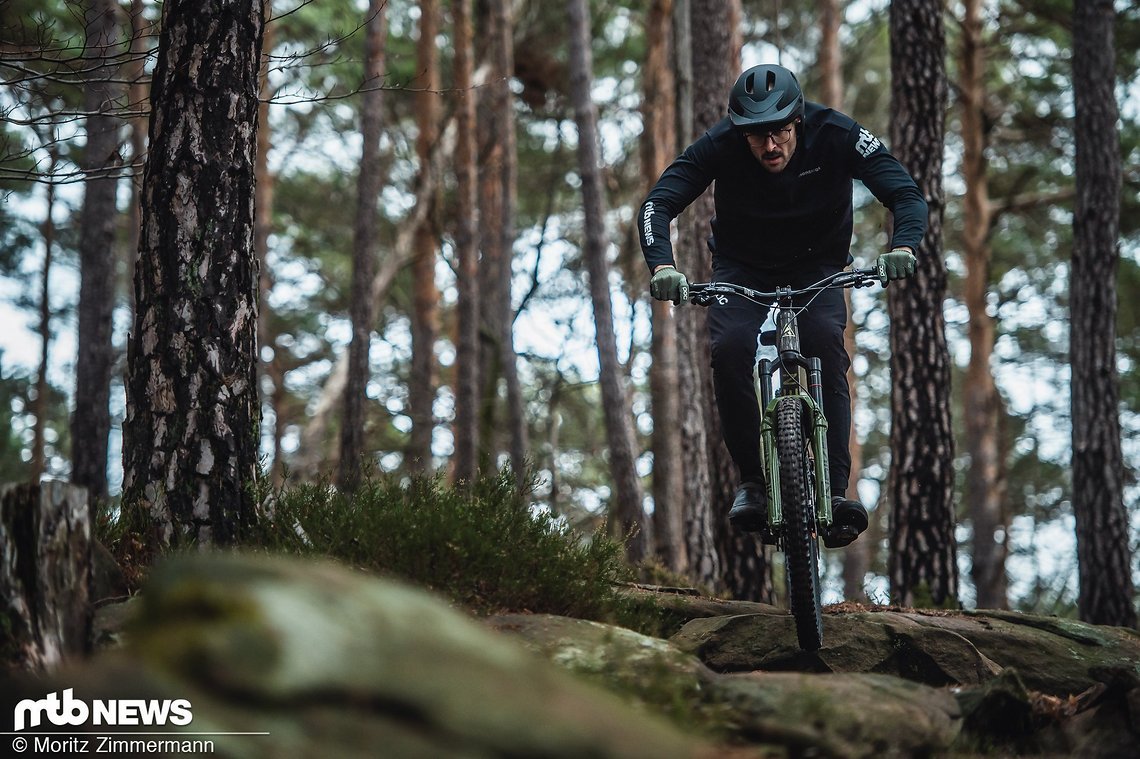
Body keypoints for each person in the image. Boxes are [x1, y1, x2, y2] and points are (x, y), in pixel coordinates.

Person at [640, 63, 927, 548]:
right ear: (739, 131)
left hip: (818, 266)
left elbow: (904, 191)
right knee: (729, 348)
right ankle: (753, 481)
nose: (770, 146)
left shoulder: (837, 132)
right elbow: (658, 202)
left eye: (780, 133)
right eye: (756, 137)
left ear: (797, 120)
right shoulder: (721, 144)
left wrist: (904, 246)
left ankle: (834, 495)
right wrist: (662, 265)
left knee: (824, 345)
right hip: (741, 266)